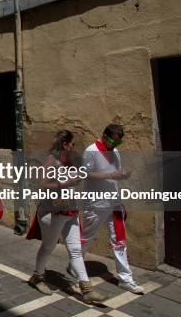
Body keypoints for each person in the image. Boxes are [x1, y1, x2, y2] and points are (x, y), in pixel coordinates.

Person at [27, 130, 106, 304]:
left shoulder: (69, 160)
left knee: (76, 250)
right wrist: (67, 182)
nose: (74, 147)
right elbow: (43, 185)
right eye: (72, 144)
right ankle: (37, 278)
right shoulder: (51, 160)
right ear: (65, 145)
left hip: (70, 210)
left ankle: (87, 290)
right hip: (53, 212)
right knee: (48, 247)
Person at [80, 124, 144, 294]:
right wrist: (110, 175)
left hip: (114, 203)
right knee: (85, 237)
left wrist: (122, 174)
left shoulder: (115, 152)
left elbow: (115, 172)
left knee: (119, 241)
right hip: (95, 204)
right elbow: (85, 174)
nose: (114, 145)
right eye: (112, 141)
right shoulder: (91, 151)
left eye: (118, 143)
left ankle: (126, 279)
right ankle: (76, 265)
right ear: (104, 135)